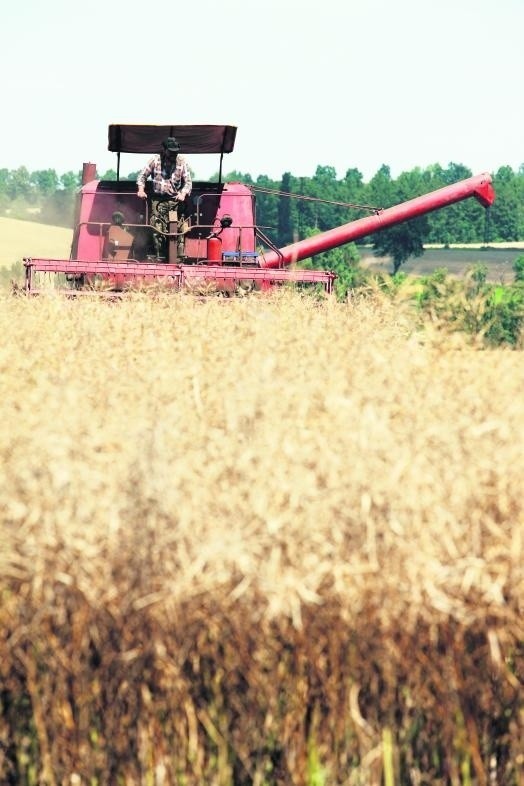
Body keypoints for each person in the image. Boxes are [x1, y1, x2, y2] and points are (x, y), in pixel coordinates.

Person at [136, 136, 192, 259]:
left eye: (175, 152)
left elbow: (188, 182)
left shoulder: (181, 162)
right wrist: (141, 190)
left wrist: (182, 193)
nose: (173, 154)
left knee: (179, 229)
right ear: (164, 150)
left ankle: (178, 258)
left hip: (175, 201)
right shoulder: (155, 160)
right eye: (171, 152)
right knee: (157, 228)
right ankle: (159, 257)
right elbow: (142, 176)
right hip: (158, 201)